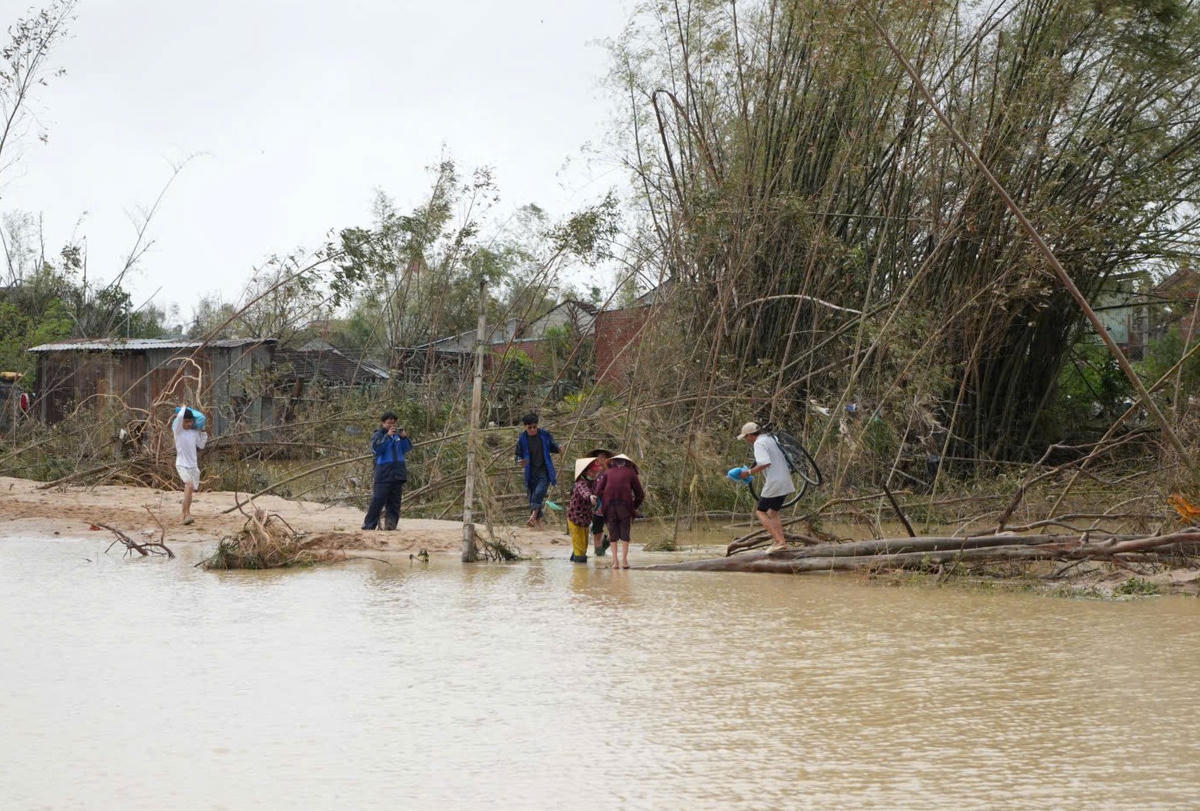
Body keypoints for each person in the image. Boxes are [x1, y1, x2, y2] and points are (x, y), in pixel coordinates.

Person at [736, 421, 795, 551]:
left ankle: (779, 541)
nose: (746, 440)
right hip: (785, 479)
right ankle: (782, 543)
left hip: (775, 481)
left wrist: (749, 472)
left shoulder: (759, 443)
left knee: (760, 511)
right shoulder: (770, 438)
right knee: (773, 512)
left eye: (746, 437)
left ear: (750, 435)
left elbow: (765, 463)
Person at [362, 411, 413, 531]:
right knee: (378, 500)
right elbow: (376, 449)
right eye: (389, 423)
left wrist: (404, 438)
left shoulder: (398, 436)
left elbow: (408, 448)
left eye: (394, 422)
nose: (392, 425)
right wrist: (387, 436)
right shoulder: (378, 435)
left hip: (398, 473)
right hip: (383, 473)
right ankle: (369, 525)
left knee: (395, 502)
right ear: (383, 423)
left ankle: (391, 526)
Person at [595, 453, 644, 569]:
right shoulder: (631, 473)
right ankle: (625, 561)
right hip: (625, 506)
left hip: (609, 506)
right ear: (627, 463)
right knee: (625, 533)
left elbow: (598, 491)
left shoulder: (607, 472)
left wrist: (606, 498)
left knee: (613, 534)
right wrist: (634, 507)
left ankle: (615, 562)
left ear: (614, 462)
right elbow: (640, 494)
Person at [514, 412, 560, 529]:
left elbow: (553, 447)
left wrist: (559, 448)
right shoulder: (522, 439)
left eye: (535, 427)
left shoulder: (544, 435)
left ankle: (533, 516)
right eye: (530, 427)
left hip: (544, 470)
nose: (533, 429)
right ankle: (539, 524)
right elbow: (518, 456)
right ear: (525, 427)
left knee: (539, 493)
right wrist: (520, 461)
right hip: (530, 473)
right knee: (532, 497)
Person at [171, 403, 208, 525]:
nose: (189, 424)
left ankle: (186, 513)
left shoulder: (194, 432)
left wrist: (203, 432)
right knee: (189, 485)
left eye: (191, 422)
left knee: (190, 490)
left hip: (193, 466)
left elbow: (201, 445)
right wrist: (183, 407)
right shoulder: (178, 430)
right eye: (187, 422)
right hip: (181, 464)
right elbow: (180, 417)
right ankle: (185, 514)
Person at [567, 456, 601, 563]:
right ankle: (579, 575)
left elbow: (599, 491)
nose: (595, 474)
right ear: (585, 472)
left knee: (583, 547)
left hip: (586, 519)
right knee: (581, 554)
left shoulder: (594, 482)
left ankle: (575, 561)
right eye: (592, 471)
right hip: (575, 518)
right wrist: (590, 497)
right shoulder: (580, 483)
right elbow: (584, 491)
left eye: (596, 472)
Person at [587, 448, 614, 556]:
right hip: (597, 508)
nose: (600, 459)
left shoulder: (612, 473)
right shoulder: (594, 473)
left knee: (614, 531)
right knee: (597, 533)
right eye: (598, 457)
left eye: (602, 457)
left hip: (610, 507)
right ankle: (598, 555)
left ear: (607, 459)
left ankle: (603, 546)